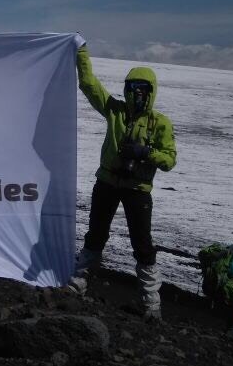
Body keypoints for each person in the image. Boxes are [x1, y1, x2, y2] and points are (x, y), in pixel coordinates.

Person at [75, 45, 177, 320]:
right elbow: (89, 85)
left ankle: (150, 303)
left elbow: (169, 160)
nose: (137, 94)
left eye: (142, 89)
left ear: (151, 91)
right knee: (96, 233)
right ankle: (80, 281)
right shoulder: (115, 111)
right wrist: (80, 54)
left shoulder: (160, 123)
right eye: (132, 87)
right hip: (107, 182)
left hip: (137, 189)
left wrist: (146, 153)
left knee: (142, 244)